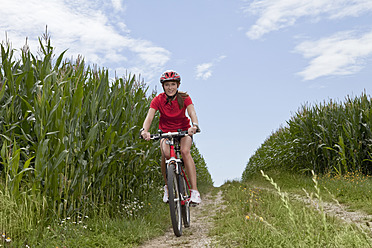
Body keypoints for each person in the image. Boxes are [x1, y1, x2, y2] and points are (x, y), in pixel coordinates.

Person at [140, 70, 202, 205]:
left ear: (178, 85)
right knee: (166, 154)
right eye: (167, 85)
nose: (170, 88)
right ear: (163, 86)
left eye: (173, 84)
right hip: (165, 132)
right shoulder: (158, 100)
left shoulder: (184, 97)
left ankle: (195, 192)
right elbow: (149, 117)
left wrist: (194, 125)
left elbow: (192, 112)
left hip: (184, 131)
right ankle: (168, 188)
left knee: (185, 152)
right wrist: (145, 131)